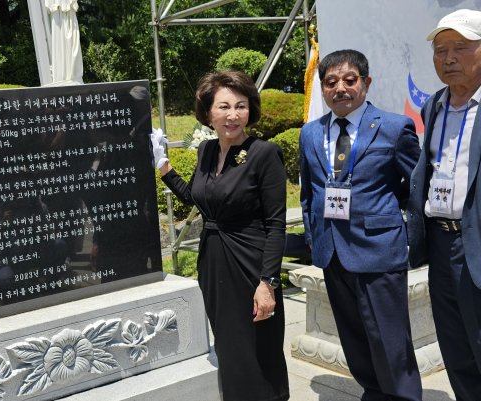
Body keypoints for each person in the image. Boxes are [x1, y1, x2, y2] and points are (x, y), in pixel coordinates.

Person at [152, 70, 289, 400]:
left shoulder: (264, 153)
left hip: (251, 264)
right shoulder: (207, 150)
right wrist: (162, 165)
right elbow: (196, 198)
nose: (233, 115)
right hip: (214, 264)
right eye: (224, 106)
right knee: (229, 349)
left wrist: (267, 282)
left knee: (260, 350)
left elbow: (276, 224)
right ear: (208, 111)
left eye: (240, 106)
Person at [299, 49, 422, 400]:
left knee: (390, 340)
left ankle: (403, 395)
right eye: (331, 82)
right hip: (332, 252)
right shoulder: (310, 133)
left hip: (378, 251)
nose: (341, 88)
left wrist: (393, 222)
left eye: (349, 80)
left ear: (366, 83)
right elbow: (308, 193)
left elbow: (415, 185)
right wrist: (313, 239)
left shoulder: (395, 128)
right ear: (323, 88)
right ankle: (374, 391)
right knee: (353, 337)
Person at [407, 9, 481, 400]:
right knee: (455, 349)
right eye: (440, 50)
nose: (449, 58)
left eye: (460, 47)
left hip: (477, 245)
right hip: (441, 244)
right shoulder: (434, 105)